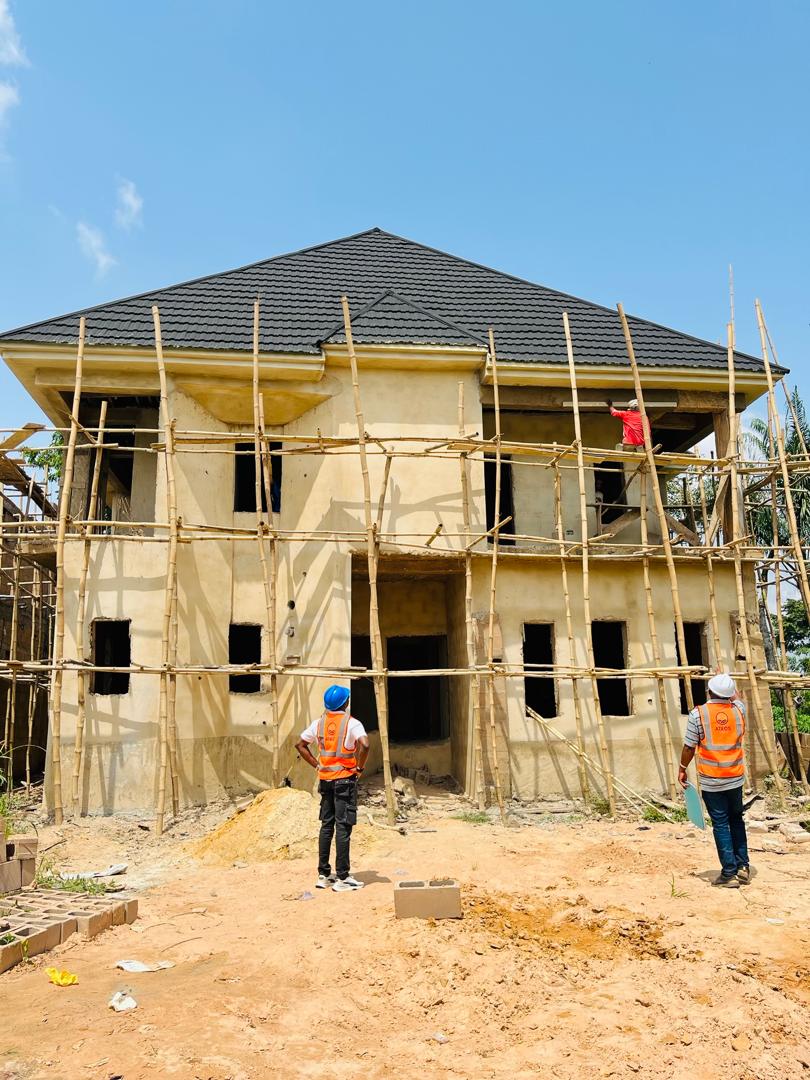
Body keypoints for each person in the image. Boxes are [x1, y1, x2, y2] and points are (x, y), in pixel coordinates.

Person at [678, 672, 750, 888]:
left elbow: (689, 746)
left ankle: (729, 874)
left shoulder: (698, 714)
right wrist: (728, 682)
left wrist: (682, 768)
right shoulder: (739, 710)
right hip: (735, 777)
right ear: (729, 693)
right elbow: (735, 697)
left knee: (720, 823)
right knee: (736, 819)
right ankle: (743, 867)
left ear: (709, 691)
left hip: (712, 780)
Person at [295, 684, 369, 893]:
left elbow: (300, 744)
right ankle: (343, 877)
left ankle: (324, 875)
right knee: (343, 827)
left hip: (325, 780)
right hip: (345, 780)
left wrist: (317, 765)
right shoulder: (352, 724)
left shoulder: (318, 723)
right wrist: (359, 768)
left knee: (327, 825)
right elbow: (365, 745)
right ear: (345, 703)